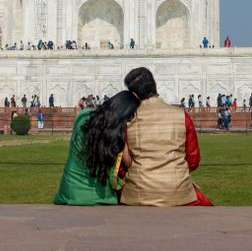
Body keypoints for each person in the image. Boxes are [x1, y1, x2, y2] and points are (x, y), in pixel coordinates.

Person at [120, 67, 212, 206]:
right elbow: (193, 160)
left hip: (139, 192)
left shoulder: (128, 120)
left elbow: (121, 165)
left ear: (134, 95)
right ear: (154, 86)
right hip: (178, 190)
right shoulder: (181, 116)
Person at [53, 91, 140, 205]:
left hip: (70, 193)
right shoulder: (117, 133)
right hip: (102, 196)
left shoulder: (82, 116)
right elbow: (129, 163)